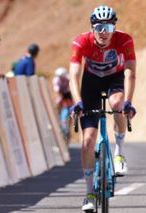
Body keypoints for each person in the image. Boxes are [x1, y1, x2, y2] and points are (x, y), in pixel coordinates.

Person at [69, 5, 136, 211]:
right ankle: (89, 193)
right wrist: (77, 101)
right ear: (92, 28)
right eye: (99, 27)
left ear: (114, 27)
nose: (104, 32)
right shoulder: (81, 41)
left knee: (117, 105)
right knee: (88, 139)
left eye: (108, 26)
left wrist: (128, 102)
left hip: (114, 79)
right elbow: (74, 75)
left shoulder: (124, 40)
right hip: (91, 83)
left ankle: (118, 153)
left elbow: (130, 73)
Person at [52, 67, 73, 142]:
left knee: (69, 110)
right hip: (62, 95)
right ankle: (59, 123)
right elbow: (57, 92)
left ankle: (66, 126)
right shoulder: (56, 80)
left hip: (68, 95)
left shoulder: (68, 78)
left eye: (62, 77)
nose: (61, 78)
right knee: (57, 107)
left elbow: (71, 90)